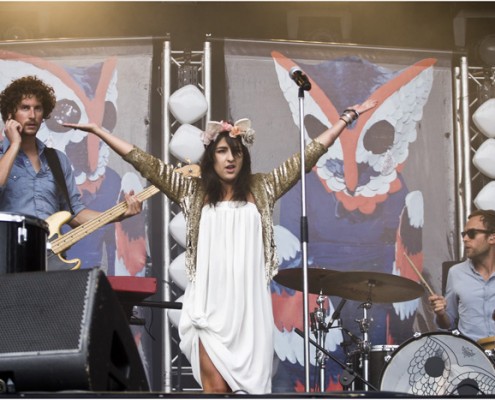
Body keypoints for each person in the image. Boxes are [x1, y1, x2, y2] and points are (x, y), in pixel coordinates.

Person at [63, 98, 378, 394]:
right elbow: (147, 164)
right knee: (215, 393)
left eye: (236, 152)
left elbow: (308, 155)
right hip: (208, 309)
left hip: (249, 311)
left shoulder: (263, 187)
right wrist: (100, 131)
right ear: (210, 156)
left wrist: (346, 119)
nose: (230, 158)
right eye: (223, 151)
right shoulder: (192, 192)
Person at [0, 76, 142, 265]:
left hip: (48, 261)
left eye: (38, 108)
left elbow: (75, 214)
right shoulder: (3, 156)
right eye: (25, 108)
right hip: (7, 258)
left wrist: (120, 214)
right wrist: (14, 145)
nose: (32, 115)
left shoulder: (57, 160)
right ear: (10, 114)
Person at [429, 209, 495, 343]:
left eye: (472, 234)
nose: (465, 239)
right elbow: (448, 324)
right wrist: (441, 314)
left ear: (492, 237)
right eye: (464, 234)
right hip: (471, 355)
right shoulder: (456, 273)